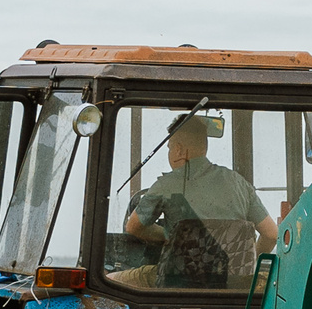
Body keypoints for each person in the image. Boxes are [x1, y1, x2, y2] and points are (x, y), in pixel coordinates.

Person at [115, 116, 279, 289]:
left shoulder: (166, 185)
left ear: (179, 150)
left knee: (111, 280)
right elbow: (271, 234)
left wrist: (168, 236)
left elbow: (133, 227)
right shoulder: (239, 183)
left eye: (169, 148)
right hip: (233, 286)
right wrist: (247, 266)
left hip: (177, 281)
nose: (170, 153)